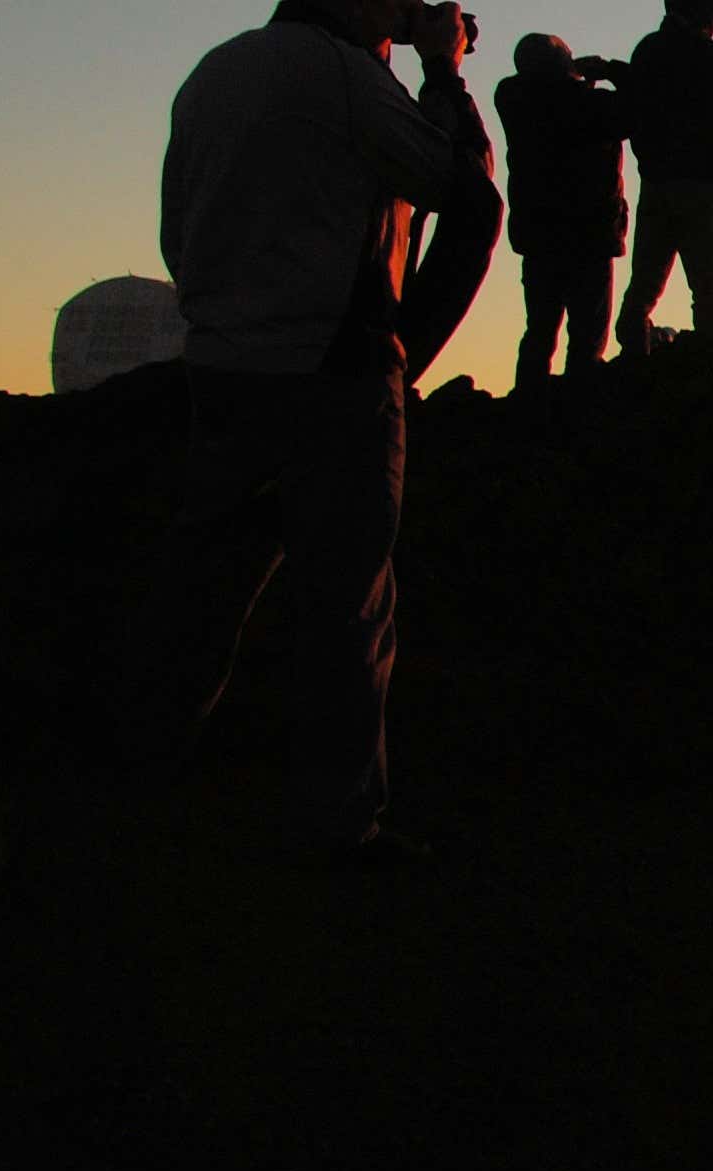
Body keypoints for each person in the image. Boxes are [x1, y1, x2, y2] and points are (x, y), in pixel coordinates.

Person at [125, 0, 497, 867]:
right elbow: (465, 192)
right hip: (333, 370)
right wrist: (442, 69)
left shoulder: (216, 72)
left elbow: (179, 229)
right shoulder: (344, 78)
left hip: (223, 363)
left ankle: (144, 774)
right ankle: (339, 829)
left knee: (207, 584)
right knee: (348, 607)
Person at [493, 33, 627, 392]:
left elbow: (553, 100)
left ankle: (529, 408)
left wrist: (576, 79)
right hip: (589, 234)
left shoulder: (511, 97)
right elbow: (635, 110)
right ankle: (577, 414)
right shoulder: (588, 104)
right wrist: (612, 74)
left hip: (538, 234)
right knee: (587, 338)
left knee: (539, 330)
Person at [613, 0, 713, 355]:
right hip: (703, 183)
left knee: (645, 280)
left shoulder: (648, 50)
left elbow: (638, 104)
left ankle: (634, 353)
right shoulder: (708, 54)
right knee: (708, 287)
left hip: (657, 181)